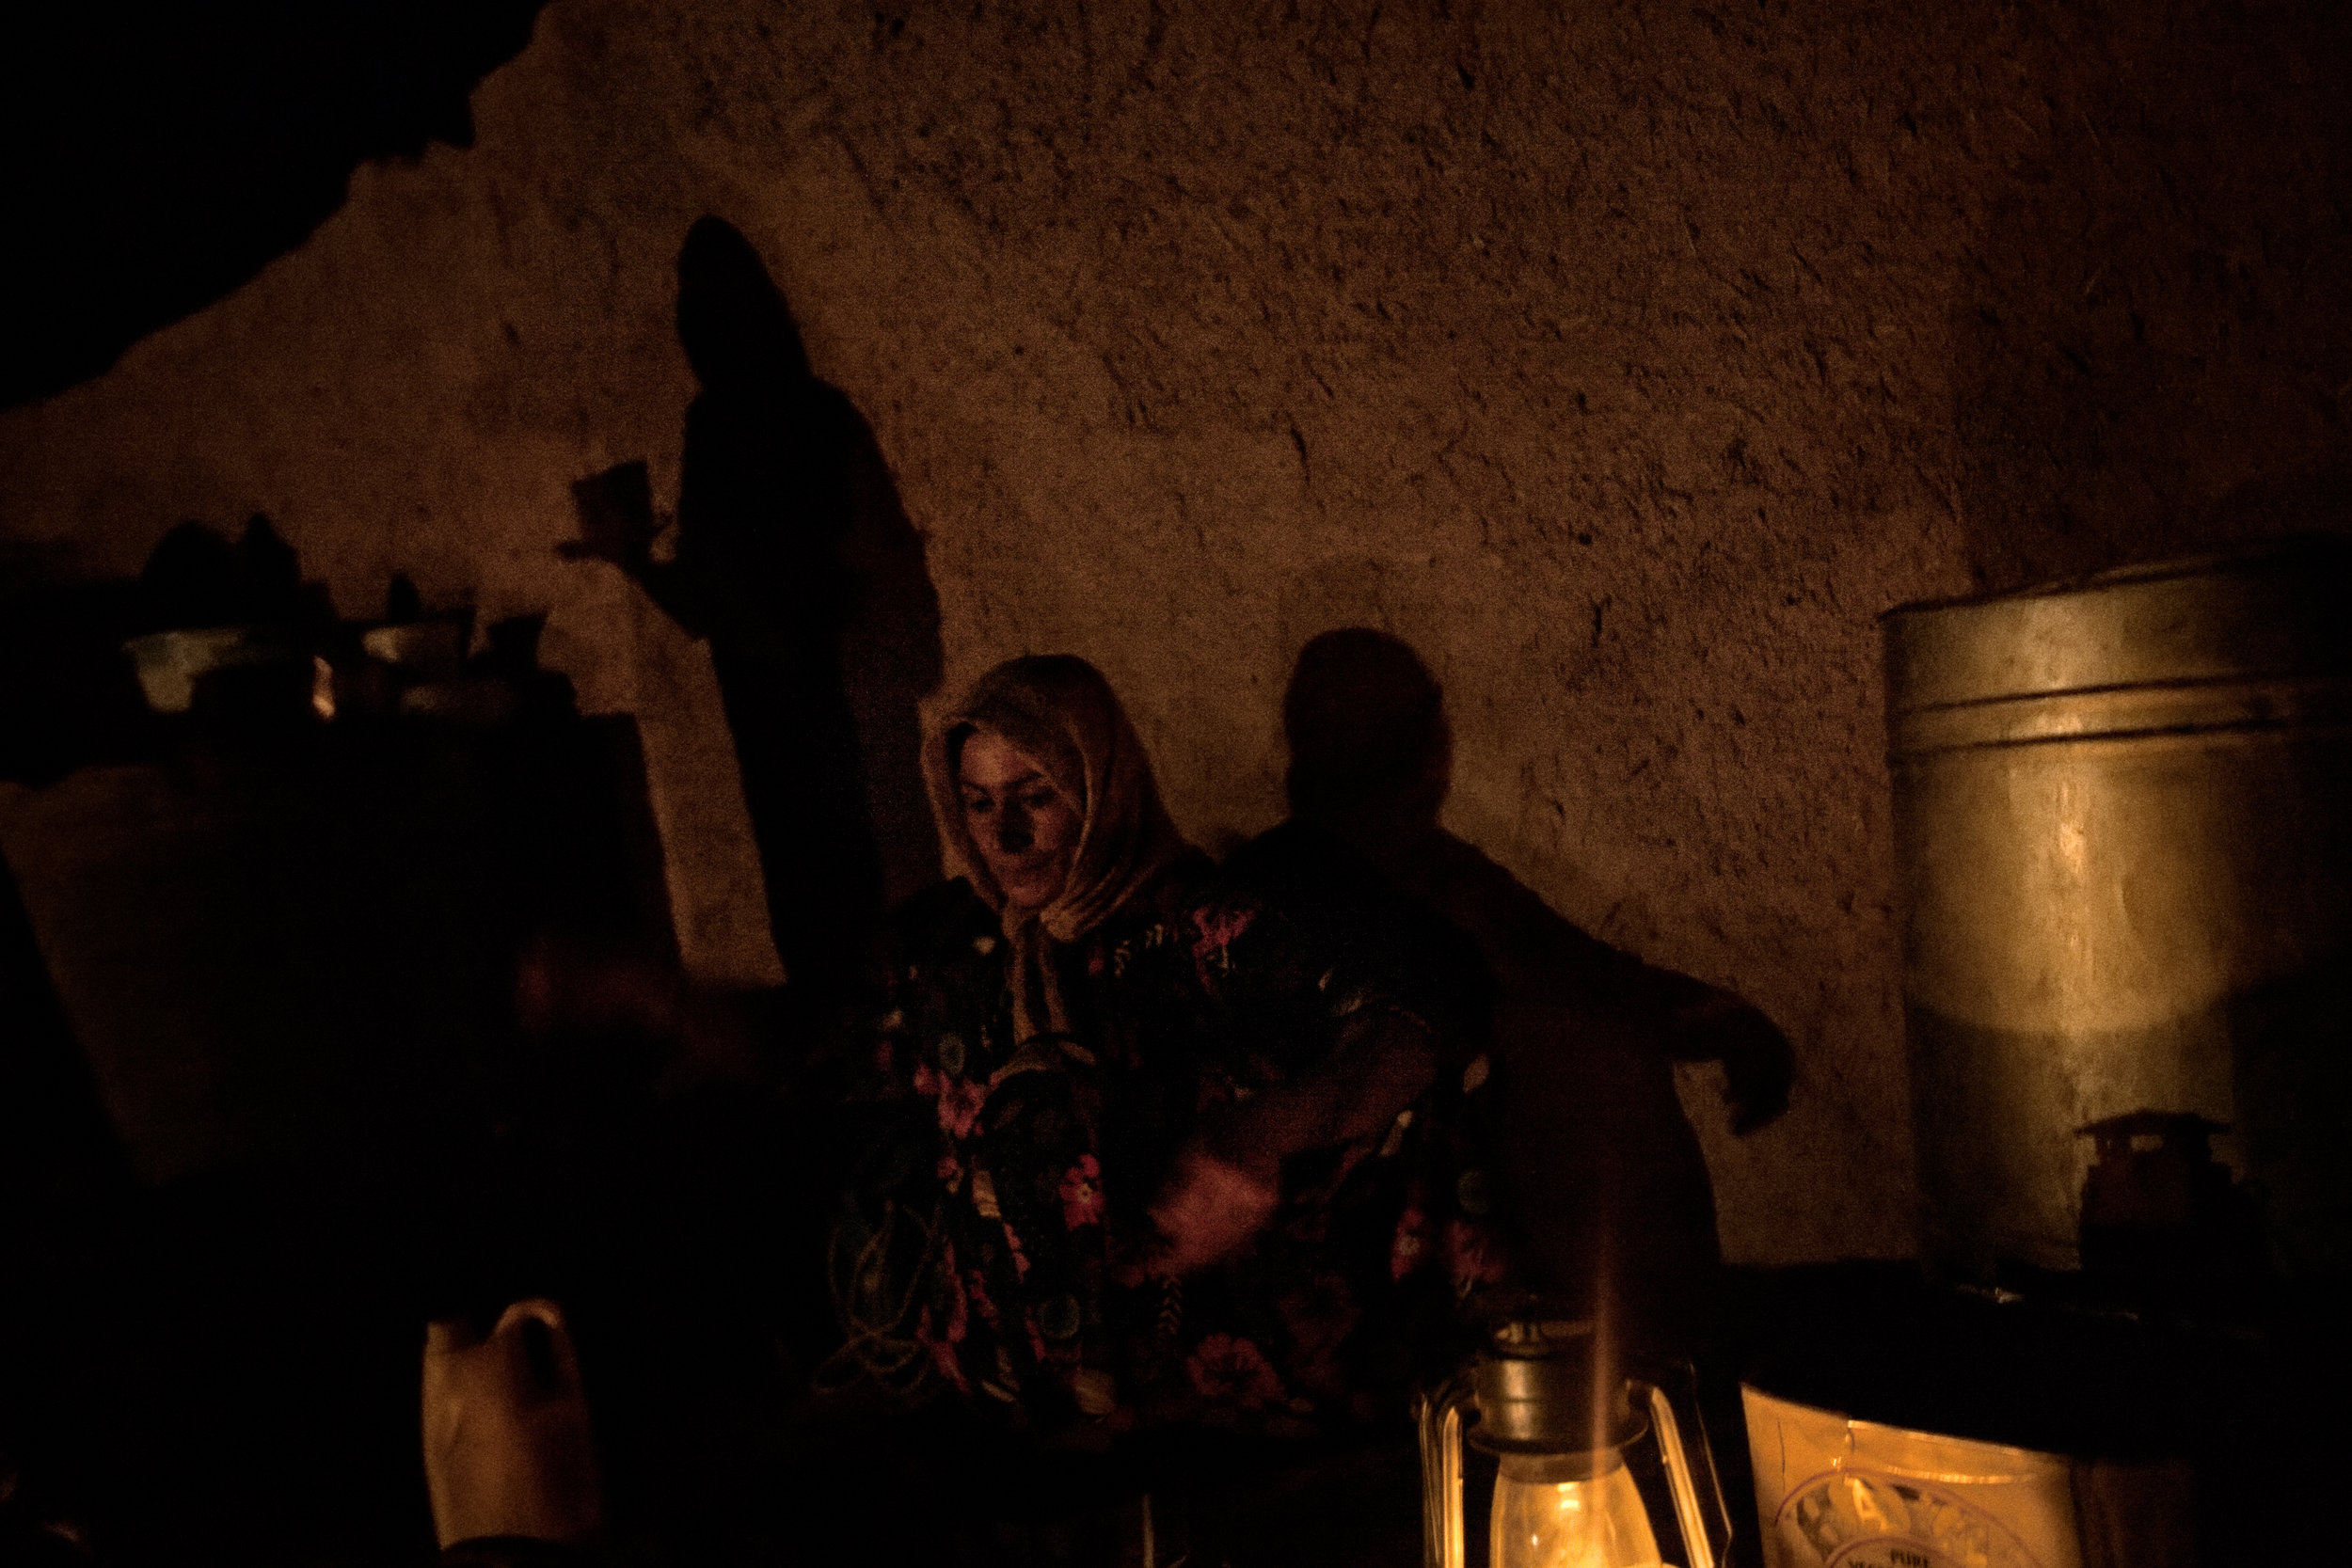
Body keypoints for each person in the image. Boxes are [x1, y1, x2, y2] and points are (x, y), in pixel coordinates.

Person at [827, 654, 1508, 1460]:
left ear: (1100, 780)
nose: (1005, 837)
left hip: (1203, 1386)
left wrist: (1258, 1135)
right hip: (1015, 1404)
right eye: (978, 803)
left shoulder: (1203, 932)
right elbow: (845, 1061)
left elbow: (1414, 1021)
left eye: (1035, 796)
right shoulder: (961, 952)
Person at [1225, 629, 1793, 1358]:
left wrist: (1718, 1020)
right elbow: (1576, 987)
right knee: (1593, 1065)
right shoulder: (1353, 887)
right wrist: (1719, 1025)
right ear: (1432, 750)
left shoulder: (1430, 874)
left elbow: (1577, 970)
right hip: (1352, 1259)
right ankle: (1652, 1365)